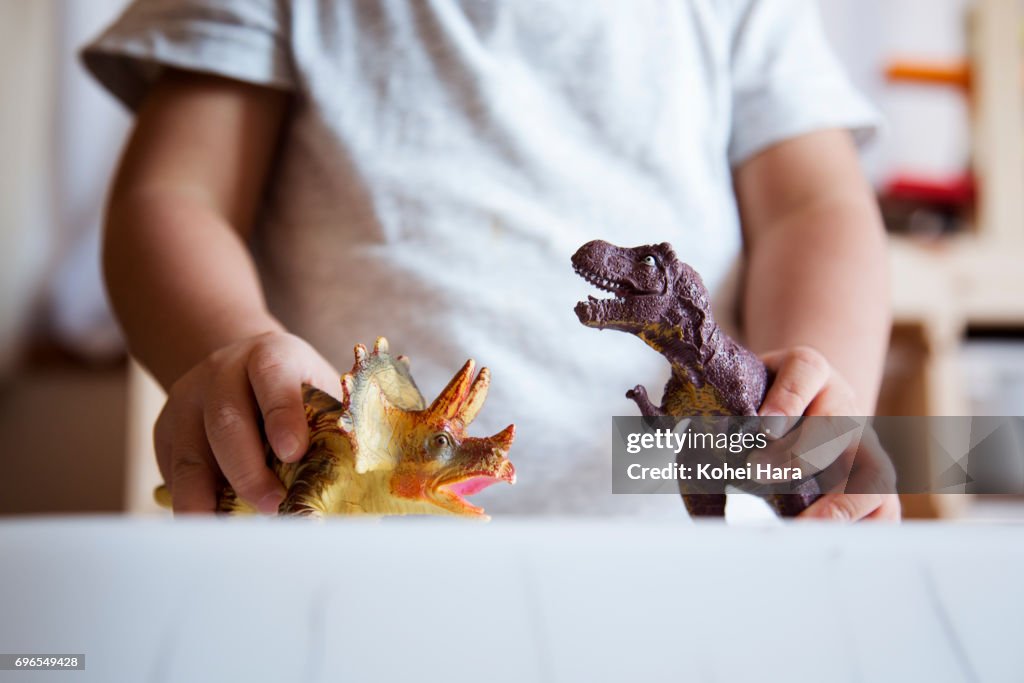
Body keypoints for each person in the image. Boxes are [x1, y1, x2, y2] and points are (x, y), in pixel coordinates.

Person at [83, 0, 899, 520]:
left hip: (692, 575)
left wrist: (816, 405)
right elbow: (174, 198)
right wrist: (225, 341)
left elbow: (815, 209)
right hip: (347, 562)